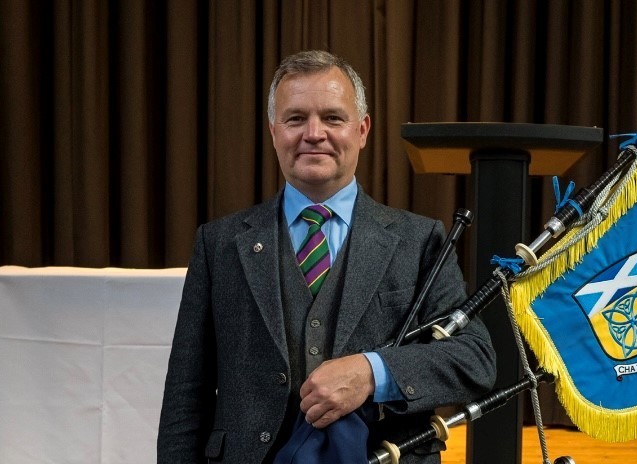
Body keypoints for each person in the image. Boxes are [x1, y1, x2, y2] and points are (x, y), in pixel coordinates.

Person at [157, 50, 496, 463]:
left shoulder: (419, 239)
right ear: (273, 131)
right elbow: (184, 396)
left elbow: (474, 358)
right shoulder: (220, 244)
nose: (313, 133)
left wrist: (372, 373)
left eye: (333, 118)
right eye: (295, 118)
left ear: (362, 130)